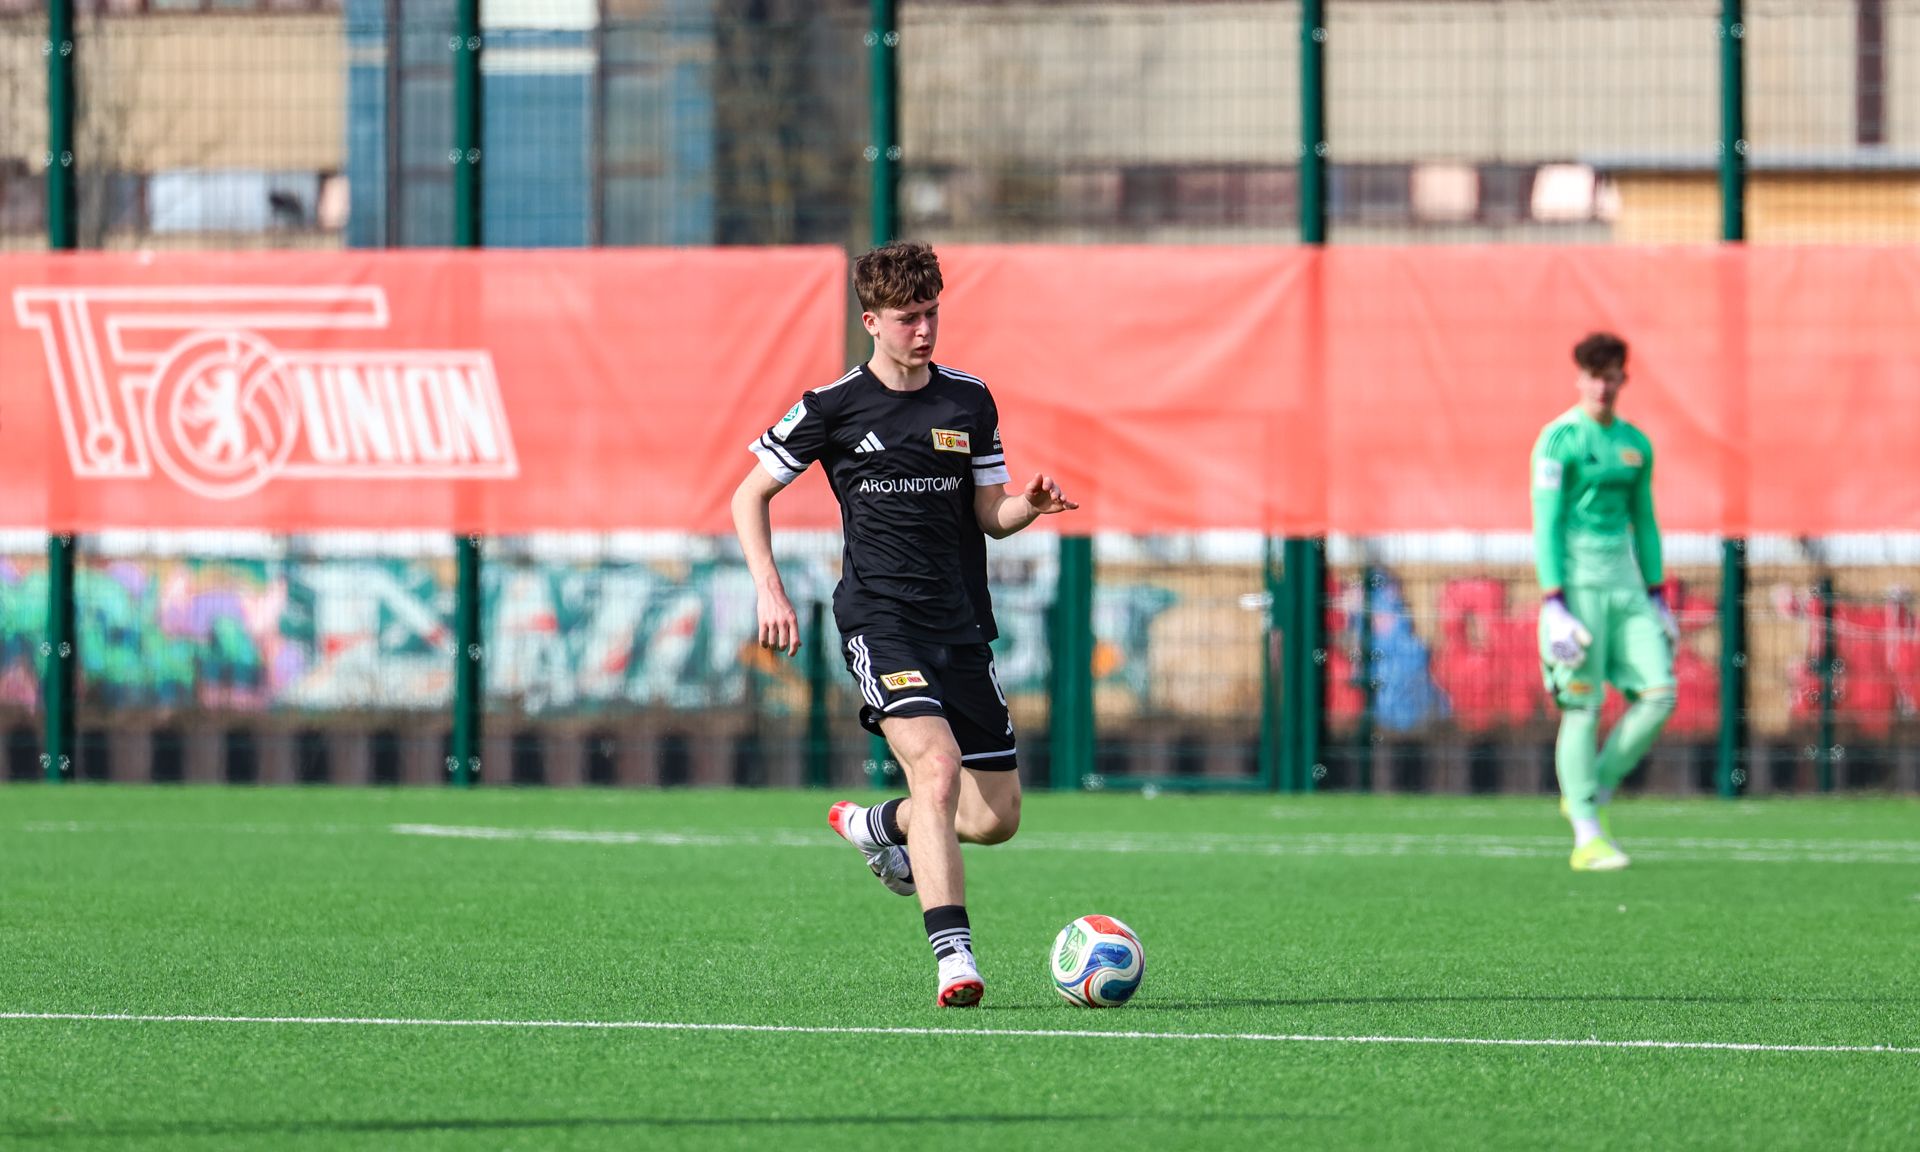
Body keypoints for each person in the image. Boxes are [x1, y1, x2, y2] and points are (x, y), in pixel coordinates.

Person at [730, 241, 1077, 1005]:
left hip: (960, 627)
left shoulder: (969, 399)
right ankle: (955, 957)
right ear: (871, 321)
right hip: (879, 623)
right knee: (937, 769)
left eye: (931, 313)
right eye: (907, 318)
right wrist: (770, 590)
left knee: (994, 819)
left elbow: (992, 514)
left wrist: (1031, 505)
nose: (923, 330)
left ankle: (877, 827)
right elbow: (748, 496)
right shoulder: (832, 407)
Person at [1531, 331, 1677, 872]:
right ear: (1580, 378)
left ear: (1623, 378)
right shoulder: (1558, 440)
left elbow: (1646, 521)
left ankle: (1595, 787)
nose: (1602, 385)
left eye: (1611, 375)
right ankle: (1587, 834)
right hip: (1578, 592)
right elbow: (1544, 524)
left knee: (1660, 695)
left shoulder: (1635, 443)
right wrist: (1553, 603)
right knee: (1583, 706)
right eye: (1593, 375)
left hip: (1629, 590)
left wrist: (1658, 595)